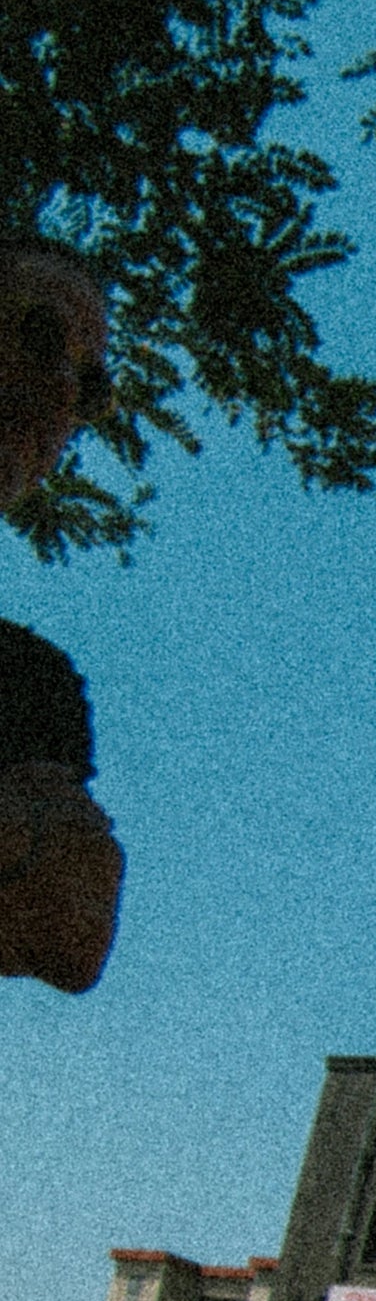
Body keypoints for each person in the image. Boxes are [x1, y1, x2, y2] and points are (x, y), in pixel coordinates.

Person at [1, 241, 124, 993]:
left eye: (90, 383)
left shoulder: (26, 680)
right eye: (42, 337)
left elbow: (73, 917)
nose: (60, 387)